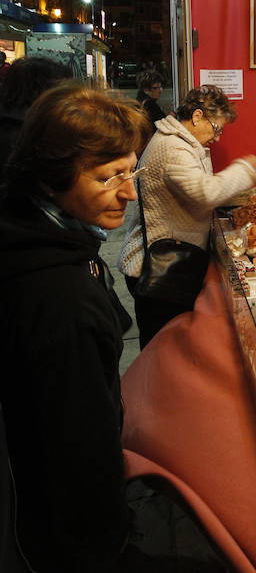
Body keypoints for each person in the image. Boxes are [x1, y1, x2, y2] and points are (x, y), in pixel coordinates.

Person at [0, 84, 225, 572]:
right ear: (50, 178)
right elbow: (76, 443)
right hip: (71, 533)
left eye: (130, 171)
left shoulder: (56, 241)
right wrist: (107, 535)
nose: (128, 191)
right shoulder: (59, 296)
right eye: (108, 177)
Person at [120, 84, 256, 348]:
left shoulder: (182, 142)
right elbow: (205, 191)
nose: (218, 137)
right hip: (158, 268)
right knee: (161, 348)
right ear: (197, 116)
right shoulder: (173, 147)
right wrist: (245, 169)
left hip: (171, 262)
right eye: (217, 128)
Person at [0, 54, 72, 177]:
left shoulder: (25, 123)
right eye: (60, 90)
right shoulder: (25, 135)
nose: (67, 97)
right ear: (42, 90)